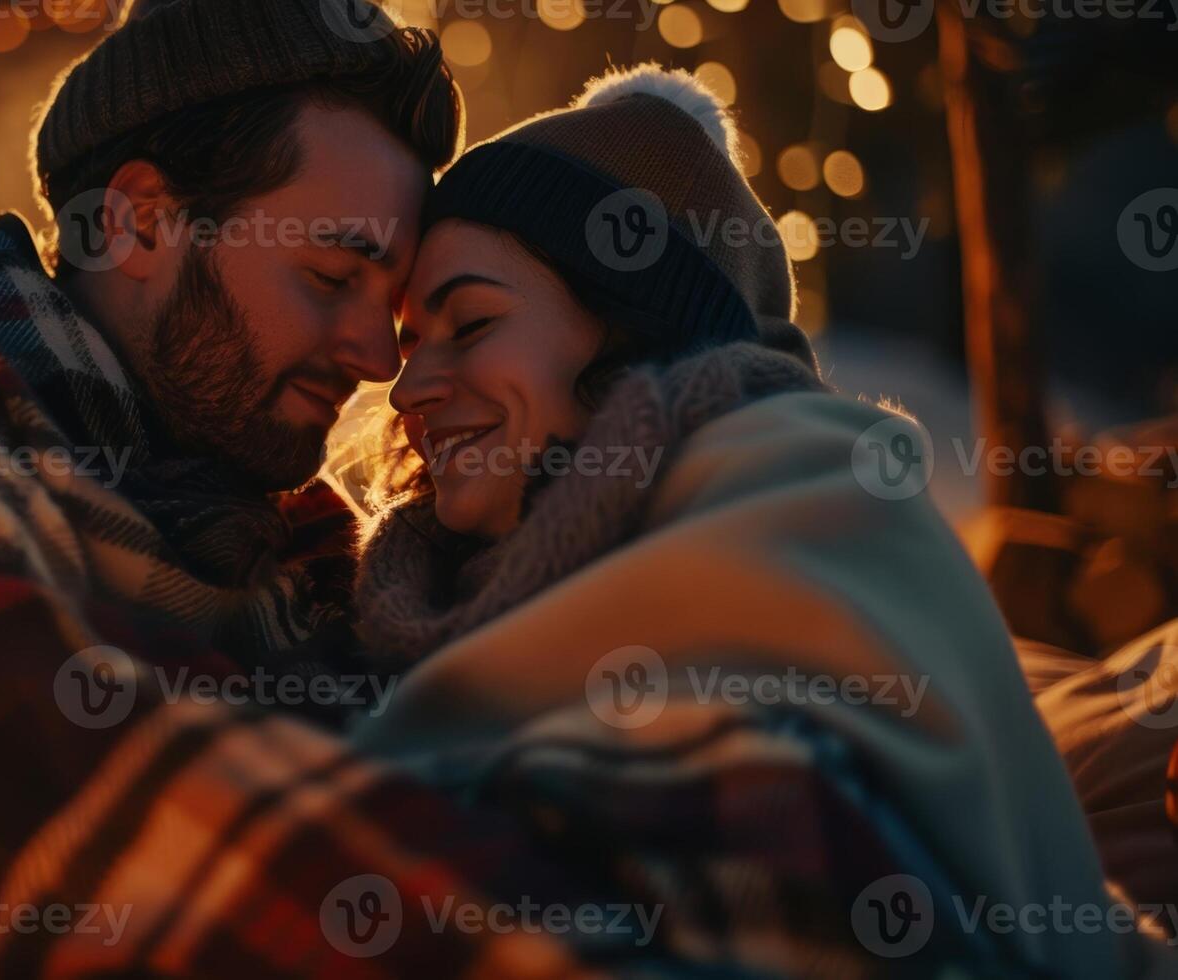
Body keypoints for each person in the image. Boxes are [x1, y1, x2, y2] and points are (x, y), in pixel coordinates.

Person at [350, 63, 1164, 976]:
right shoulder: (402, 590)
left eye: (469, 325)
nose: (408, 387)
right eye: (412, 340)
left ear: (635, 325)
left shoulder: (811, 499)